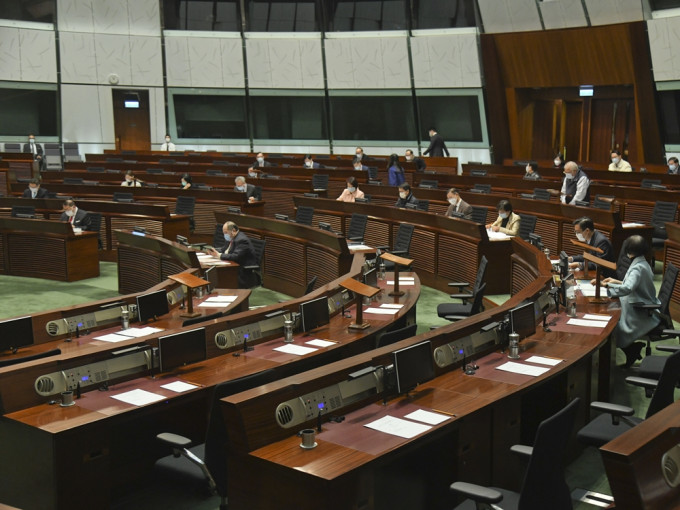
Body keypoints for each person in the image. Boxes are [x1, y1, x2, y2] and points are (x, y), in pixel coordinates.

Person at [599, 235, 659, 367]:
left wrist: (607, 287)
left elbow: (628, 288)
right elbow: (631, 284)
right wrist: (616, 282)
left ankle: (631, 350)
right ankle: (632, 350)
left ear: (629, 251)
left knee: (613, 326)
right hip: (635, 303)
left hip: (639, 310)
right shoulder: (642, 262)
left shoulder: (638, 267)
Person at [207, 221, 258, 288]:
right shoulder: (231, 237)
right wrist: (214, 251)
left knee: (220, 274)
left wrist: (219, 255)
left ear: (233, 230)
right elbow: (224, 249)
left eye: (226, 233)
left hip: (241, 270)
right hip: (232, 265)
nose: (225, 235)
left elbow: (235, 256)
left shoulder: (242, 240)